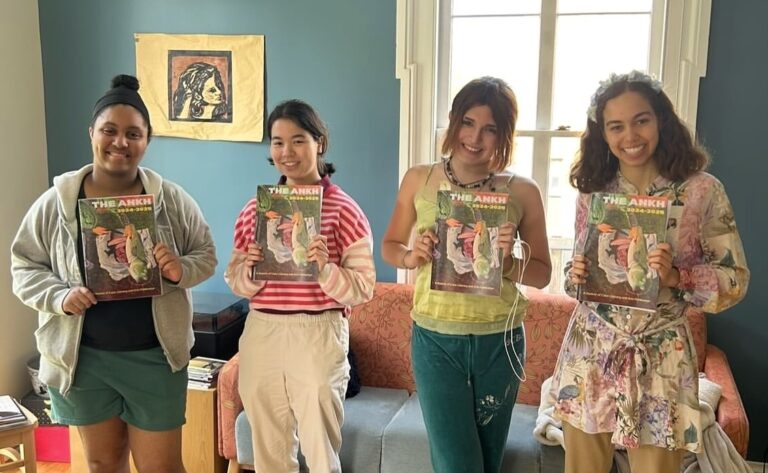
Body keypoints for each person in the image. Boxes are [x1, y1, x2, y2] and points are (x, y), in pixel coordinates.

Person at [10, 74, 217, 473]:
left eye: (133, 134)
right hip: (83, 362)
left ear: (146, 141)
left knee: (162, 468)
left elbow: (205, 254)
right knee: (102, 464)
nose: (120, 142)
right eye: (109, 130)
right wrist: (59, 296)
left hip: (156, 358)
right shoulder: (56, 203)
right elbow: (24, 266)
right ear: (92, 133)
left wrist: (179, 270)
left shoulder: (171, 200)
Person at [551, 70, 750, 473]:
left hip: (662, 358)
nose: (630, 136)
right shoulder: (593, 191)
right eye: (616, 126)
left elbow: (735, 281)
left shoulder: (702, 191)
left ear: (661, 119)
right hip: (591, 351)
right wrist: (577, 275)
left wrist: (679, 277)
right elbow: (578, 277)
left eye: (640, 120)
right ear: (602, 133)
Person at [381, 76, 552, 473]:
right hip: (435, 339)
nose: (475, 138)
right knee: (457, 464)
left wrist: (507, 263)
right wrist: (411, 256)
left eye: (490, 129)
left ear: (504, 134)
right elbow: (390, 244)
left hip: (501, 340)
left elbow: (542, 274)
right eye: (468, 123)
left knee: (488, 461)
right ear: (453, 120)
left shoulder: (522, 190)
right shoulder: (420, 179)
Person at [224, 99, 375, 473]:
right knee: (269, 449)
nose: (286, 152)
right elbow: (237, 283)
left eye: (298, 140)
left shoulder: (344, 209)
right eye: (277, 142)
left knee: (321, 449)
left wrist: (325, 269)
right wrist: (250, 270)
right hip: (263, 329)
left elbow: (363, 288)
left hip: (318, 330)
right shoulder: (255, 211)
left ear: (319, 143)